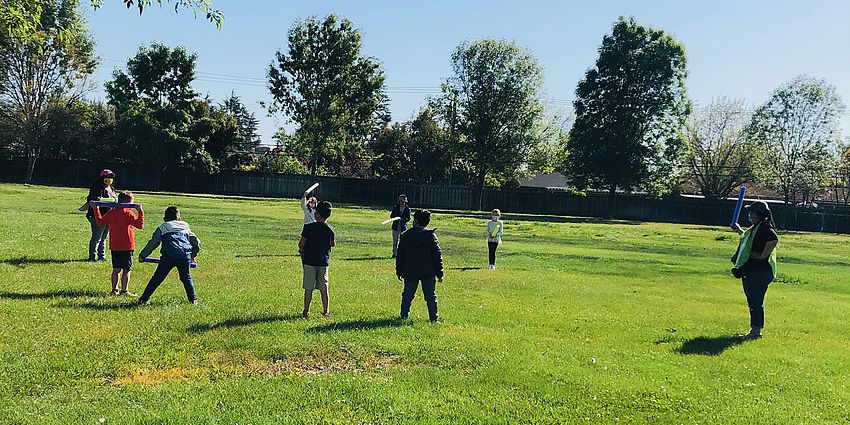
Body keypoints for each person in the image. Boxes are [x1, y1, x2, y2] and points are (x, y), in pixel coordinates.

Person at [731, 201, 779, 339]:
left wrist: (762, 255)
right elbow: (748, 238)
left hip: (760, 271)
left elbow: (773, 239)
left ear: (760, 214)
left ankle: (756, 332)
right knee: (753, 301)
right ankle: (755, 330)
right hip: (753, 270)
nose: (750, 214)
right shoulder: (756, 228)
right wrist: (739, 230)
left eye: (753, 212)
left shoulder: (764, 228)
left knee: (756, 301)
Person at [137, 206, 201, 305]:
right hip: (184, 256)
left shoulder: (163, 227)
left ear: (164, 219)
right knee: (186, 277)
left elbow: (154, 242)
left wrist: (143, 255)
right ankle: (193, 300)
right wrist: (193, 255)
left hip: (168, 255)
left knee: (157, 277)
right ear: (179, 218)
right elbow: (196, 242)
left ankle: (144, 299)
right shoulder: (185, 227)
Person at [90, 191, 144, 296]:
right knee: (127, 269)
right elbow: (140, 225)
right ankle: (124, 291)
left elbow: (100, 222)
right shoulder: (128, 213)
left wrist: (96, 209)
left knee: (116, 269)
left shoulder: (111, 212)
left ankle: (114, 290)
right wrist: (140, 212)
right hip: (127, 246)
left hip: (115, 246)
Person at [396, 209, 444, 322]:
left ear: (415, 221)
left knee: (407, 295)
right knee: (430, 296)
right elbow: (437, 256)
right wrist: (440, 272)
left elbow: (400, 256)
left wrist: (399, 271)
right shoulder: (431, 236)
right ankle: (434, 318)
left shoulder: (405, 236)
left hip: (410, 270)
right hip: (428, 271)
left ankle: (403, 316)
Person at [298, 201, 335, 318]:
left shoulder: (308, 228)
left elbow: (301, 244)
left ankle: (306, 310)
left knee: (309, 287)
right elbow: (332, 243)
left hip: (309, 261)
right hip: (323, 261)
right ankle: (326, 310)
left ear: (317, 214)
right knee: (324, 288)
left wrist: (302, 250)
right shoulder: (330, 229)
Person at [83, 169, 117, 261]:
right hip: (97, 216)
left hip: (109, 216)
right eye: (107, 177)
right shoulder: (96, 187)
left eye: (111, 177)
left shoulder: (112, 188)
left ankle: (101, 256)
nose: (109, 179)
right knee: (97, 237)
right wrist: (101, 200)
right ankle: (92, 257)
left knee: (104, 237)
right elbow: (91, 199)